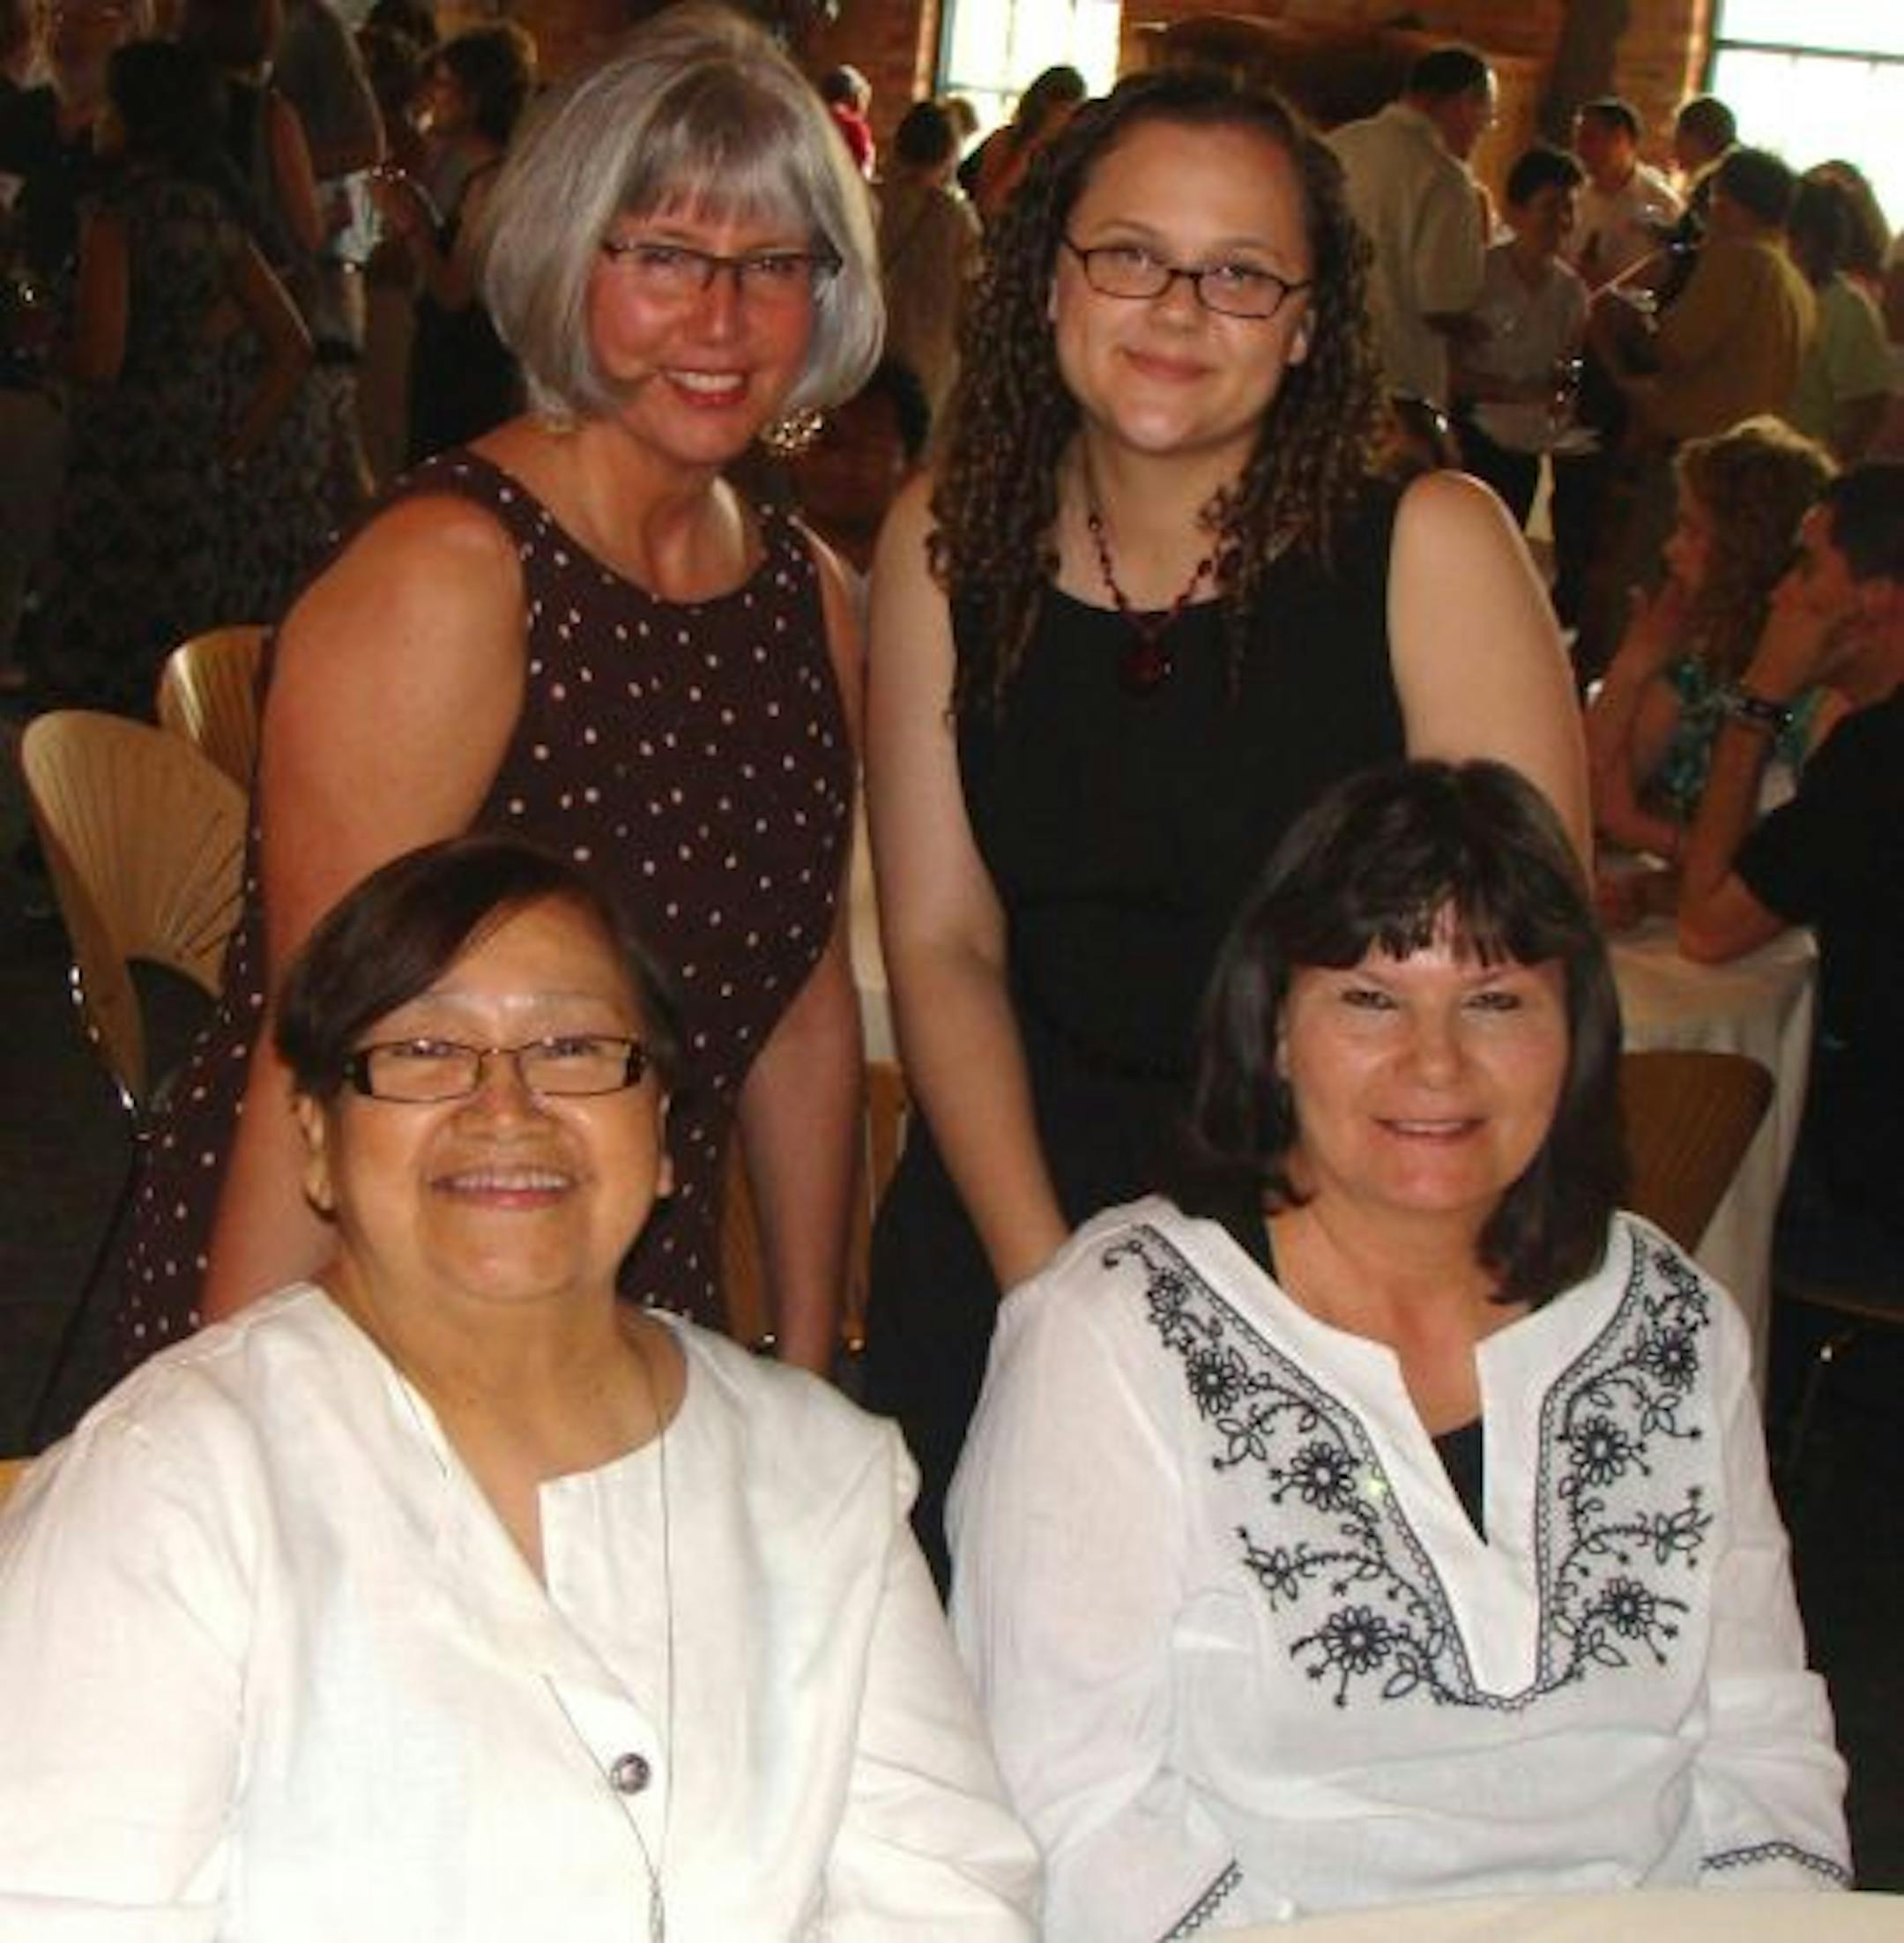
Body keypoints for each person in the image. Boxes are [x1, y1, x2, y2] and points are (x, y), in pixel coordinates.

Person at [0, 836, 1041, 1937]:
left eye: (574, 1046)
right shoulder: (177, 1489)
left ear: (666, 1133)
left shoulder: (817, 1477)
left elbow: (950, 1903)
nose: (505, 1104)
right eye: (424, 1048)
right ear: (315, 1138)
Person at [862, 66, 1586, 1587]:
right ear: (1050, 278)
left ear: (1313, 321)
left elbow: (1524, 982)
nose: (1177, 308)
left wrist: (1291, 1318)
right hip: (1019, 1205)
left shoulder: (1426, 544)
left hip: (1355, 1234)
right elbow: (941, 941)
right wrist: (1051, 1290)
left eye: (1242, 274)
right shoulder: (944, 543)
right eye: (1130, 253)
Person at [107, 1, 882, 1400]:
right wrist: (233, 1427)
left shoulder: (805, 594)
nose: (720, 317)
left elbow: (803, 1001)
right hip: (367, 1320)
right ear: (568, 261)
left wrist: (808, 1365)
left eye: (772, 264)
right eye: (663, 256)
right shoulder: (452, 576)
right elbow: (315, 1043)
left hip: (635, 1300)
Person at [949, 758, 1850, 1935]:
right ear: (1276, 1027)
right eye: (1372, 999)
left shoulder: (1669, 1321)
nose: (1437, 1063)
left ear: (1574, 1029)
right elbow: (1075, 1807)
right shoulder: (1112, 1340)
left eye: (1497, 1001)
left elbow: (1760, 1730)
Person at [26, 37, 312, 712]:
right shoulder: (212, 214)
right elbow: (292, 345)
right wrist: (234, 451)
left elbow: (102, 356)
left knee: (98, 674)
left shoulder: (116, 216)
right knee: (178, 680)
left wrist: (44, 349)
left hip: (119, 472)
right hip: (194, 466)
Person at [1677, 464, 1904, 1285]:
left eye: (1807, 568)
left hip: (1873, 1182)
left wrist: (1759, 699)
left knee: (1680, 1159)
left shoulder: (1879, 758)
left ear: (1874, 600)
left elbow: (1708, 927)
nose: (1779, 594)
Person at [1587, 417, 1835, 867]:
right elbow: (1583, 797)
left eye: (1692, 530)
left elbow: (1791, 876)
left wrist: (1638, 829)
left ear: (1749, 548)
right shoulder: (1701, 662)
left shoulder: (1823, 695)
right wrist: (1632, 668)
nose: (1670, 549)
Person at [370, 20, 533, 464]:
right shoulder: (482, 178)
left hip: (467, 379)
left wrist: (415, 224)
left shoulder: (492, 184)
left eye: (444, 84)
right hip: (461, 372)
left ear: (475, 99)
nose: (431, 97)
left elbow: (455, 293)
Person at [1327, 44, 1494, 413]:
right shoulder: (1444, 177)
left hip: (1324, 366)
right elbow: (1443, 303)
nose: (1481, 133)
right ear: (1463, 102)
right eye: (1485, 120)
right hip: (1399, 385)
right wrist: (1480, 332)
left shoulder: (1337, 145)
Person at [1452, 142, 1588, 528]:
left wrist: (1561, 392)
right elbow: (1450, 370)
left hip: (1526, 445)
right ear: (1515, 211)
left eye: (1569, 208)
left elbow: (1567, 366)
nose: (1561, 219)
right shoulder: (1480, 275)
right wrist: (1515, 392)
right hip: (1474, 436)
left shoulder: (1571, 292)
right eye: (1549, 207)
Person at [874, 97, 978, 421]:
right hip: (928, 359)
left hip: (866, 351)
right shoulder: (958, 219)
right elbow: (970, 298)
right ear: (949, 153)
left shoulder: (866, 201)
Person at [1784, 175, 1893, 465]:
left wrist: (1828, 470)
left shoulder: (1844, 309)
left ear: (1804, 242)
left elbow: (1868, 406)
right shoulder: (1776, 295)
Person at [1568, 94, 1680, 292]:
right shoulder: (1572, 197)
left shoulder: (1662, 204)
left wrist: (1609, 282)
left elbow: (1670, 277)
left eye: (1588, 138)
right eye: (1577, 140)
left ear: (1621, 139)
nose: (1579, 149)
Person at [961, 63, 1086, 226]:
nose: (1065, 120)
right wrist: (1032, 146)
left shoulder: (1076, 151)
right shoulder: (1005, 140)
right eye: (1062, 110)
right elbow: (988, 207)